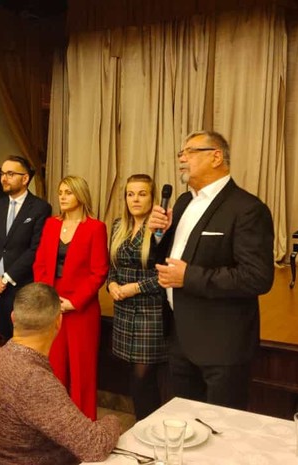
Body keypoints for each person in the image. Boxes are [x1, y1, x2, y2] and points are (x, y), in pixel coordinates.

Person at [147, 130, 275, 409]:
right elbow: (169, 257)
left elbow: (257, 277)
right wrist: (158, 236)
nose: (182, 159)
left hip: (222, 344)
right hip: (181, 334)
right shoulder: (183, 202)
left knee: (221, 426)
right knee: (185, 419)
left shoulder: (247, 208)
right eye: (181, 153)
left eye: (190, 152)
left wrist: (188, 276)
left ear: (216, 157)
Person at [0, 283, 120, 465]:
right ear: (59, 322)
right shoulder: (32, 379)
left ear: (13, 318)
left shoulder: (5, 353)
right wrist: (113, 421)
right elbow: (94, 446)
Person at [33, 175, 109, 420]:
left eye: (68, 192)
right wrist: (48, 298)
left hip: (81, 308)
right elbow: (40, 264)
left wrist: (75, 302)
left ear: (80, 195)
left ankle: (83, 423)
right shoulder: (51, 224)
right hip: (51, 304)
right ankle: (57, 422)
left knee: (82, 369)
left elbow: (99, 271)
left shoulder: (95, 228)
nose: (62, 197)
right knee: (54, 366)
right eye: (60, 192)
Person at [108, 174, 166, 419]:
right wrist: (111, 284)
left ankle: (148, 425)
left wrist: (136, 287)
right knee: (133, 376)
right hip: (123, 311)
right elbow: (112, 266)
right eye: (130, 194)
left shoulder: (160, 228)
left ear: (152, 198)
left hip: (150, 313)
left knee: (144, 378)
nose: (135, 199)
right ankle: (142, 424)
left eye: (142, 194)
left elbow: (166, 275)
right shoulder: (118, 226)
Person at [0, 155, 51, 339]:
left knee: (19, 341)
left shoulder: (40, 208)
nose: (4, 178)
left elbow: (35, 249)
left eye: (10, 174)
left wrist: (6, 279)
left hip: (19, 287)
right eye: (2, 174)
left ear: (25, 178)